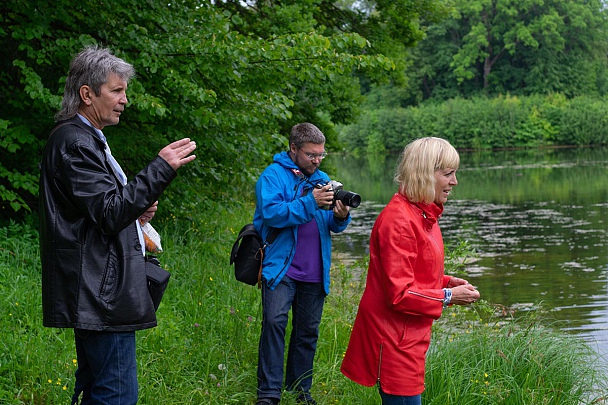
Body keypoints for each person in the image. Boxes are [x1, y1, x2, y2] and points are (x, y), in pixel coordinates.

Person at [39, 45, 196, 404]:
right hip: (99, 292)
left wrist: (136, 213)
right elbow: (109, 213)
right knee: (118, 394)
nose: (125, 99)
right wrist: (161, 168)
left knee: (100, 388)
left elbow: (100, 211)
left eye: (125, 90)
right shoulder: (75, 142)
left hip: (98, 286)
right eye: (116, 90)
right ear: (87, 94)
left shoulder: (86, 138)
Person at [340, 137, 480, 405]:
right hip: (393, 340)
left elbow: (415, 271)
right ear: (425, 174)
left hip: (408, 337)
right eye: (448, 174)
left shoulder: (424, 215)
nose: (455, 182)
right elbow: (400, 294)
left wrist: (447, 281)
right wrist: (449, 295)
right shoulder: (399, 220)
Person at [253, 123, 352, 405]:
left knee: (307, 333)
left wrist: (341, 215)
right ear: (294, 149)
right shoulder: (272, 176)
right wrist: (311, 201)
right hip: (281, 268)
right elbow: (272, 214)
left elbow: (332, 224)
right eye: (311, 155)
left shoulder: (323, 179)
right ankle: (269, 393)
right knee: (274, 324)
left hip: (314, 269)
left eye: (321, 155)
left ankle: (299, 390)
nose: (317, 160)